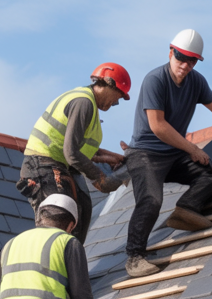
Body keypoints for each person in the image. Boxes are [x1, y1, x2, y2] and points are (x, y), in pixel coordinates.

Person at [122, 29, 212, 277]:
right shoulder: (155, 80)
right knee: (151, 199)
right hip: (145, 154)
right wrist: (193, 148)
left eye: (191, 60)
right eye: (180, 57)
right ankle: (135, 257)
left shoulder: (197, 82)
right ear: (170, 52)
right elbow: (158, 126)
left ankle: (187, 208)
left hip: (174, 153)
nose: (185, 65)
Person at [17, 64, 133, 244]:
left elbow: (84, 149)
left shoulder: (88, 103)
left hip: (58, 165)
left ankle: (70, 263)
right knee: (60, 217)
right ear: (108, 84)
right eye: (116, 98)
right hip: (43, 165)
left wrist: (113, 158)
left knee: (82, 210)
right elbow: (71, 153)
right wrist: (99, 177)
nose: (114, 104)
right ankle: (54, 265)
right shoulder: (83, 103)